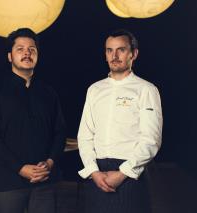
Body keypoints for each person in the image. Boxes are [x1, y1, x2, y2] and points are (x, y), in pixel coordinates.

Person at [0, 28, 66, 213]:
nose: (27, 53)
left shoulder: (49, 92)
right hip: (8, 182)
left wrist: (50, 163)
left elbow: (60, 133)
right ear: (10, 56)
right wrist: (20, 168)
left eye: (32, 49)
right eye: (20, 49)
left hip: (45, 181)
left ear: (37, 56)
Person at [77, 29, 163, 213]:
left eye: (121, 50)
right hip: (97, 174)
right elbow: (84, 136)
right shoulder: (94, 89)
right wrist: (93, 171)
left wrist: (123, 172)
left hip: (130, 174)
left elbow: (151, 140)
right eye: (109, 50)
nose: (114, 56)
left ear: (134, 53)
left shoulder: (146, 90)